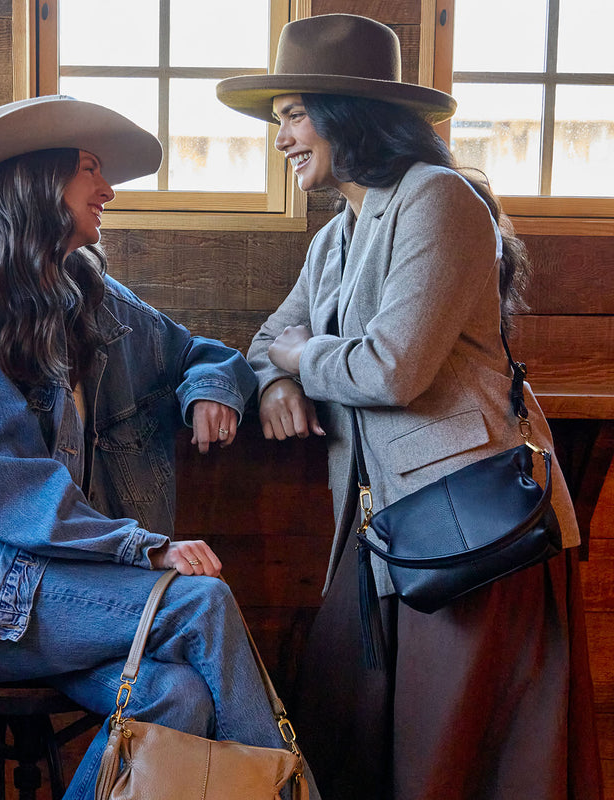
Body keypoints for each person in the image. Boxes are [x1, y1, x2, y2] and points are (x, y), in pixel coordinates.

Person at [217, 14, 602, 800]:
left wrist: (301, 360)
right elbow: (270, 338)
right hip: (383, 532)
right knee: (367, 745)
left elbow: (392, 371)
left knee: (461, 755)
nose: (281, 138)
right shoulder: (335, 237)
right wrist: (278, 381)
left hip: (470, 528)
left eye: (294, 115)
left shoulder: (440, 200)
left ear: (347, 113)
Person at [0, 95, 305, 800]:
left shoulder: (88, 294)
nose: (107, 188)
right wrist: (141, 548)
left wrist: (211, 390)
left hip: (63, 598)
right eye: (89, 168)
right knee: (200, 604)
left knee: (175, 698)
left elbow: (201, 353)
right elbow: (5, 486)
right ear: (35, 178)